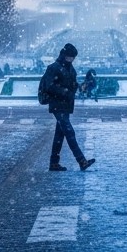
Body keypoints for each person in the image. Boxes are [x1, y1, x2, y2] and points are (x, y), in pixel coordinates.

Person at [40, 43, 94, 171]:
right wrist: (65, 92)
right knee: (69, 132)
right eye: (70, 57)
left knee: (60, 135)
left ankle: (54, 163)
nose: (71, 59)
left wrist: (81, 86)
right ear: (64, 55)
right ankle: (81, 161)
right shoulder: (54, 68)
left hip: (65, 105)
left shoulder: (70, 68)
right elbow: (49, 86)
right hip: (57, 104)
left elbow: (72, 84)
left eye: (73, 57)